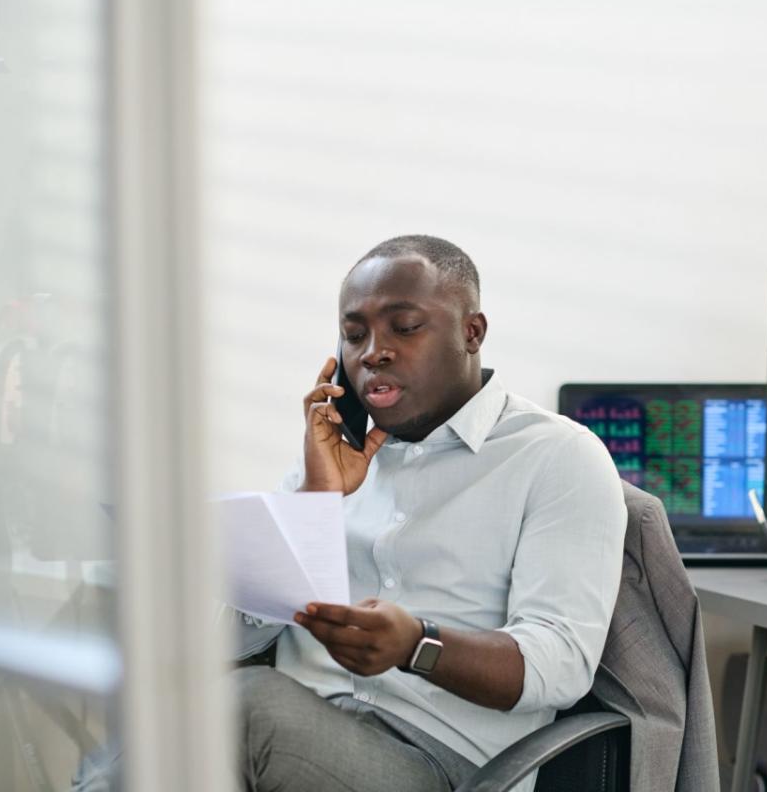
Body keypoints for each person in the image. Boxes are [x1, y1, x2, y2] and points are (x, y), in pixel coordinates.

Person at [230, 235, 627, 792]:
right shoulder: (328, 459)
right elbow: (237, 639)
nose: (373, 352)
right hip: (304, 729)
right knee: (185, 701)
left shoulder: (557, 456)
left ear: (472, 332)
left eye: (404, 327)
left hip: (441, 763)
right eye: (353, 334)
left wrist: (418, 645)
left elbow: (560, 663)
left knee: (240, 707)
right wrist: (316, 500)